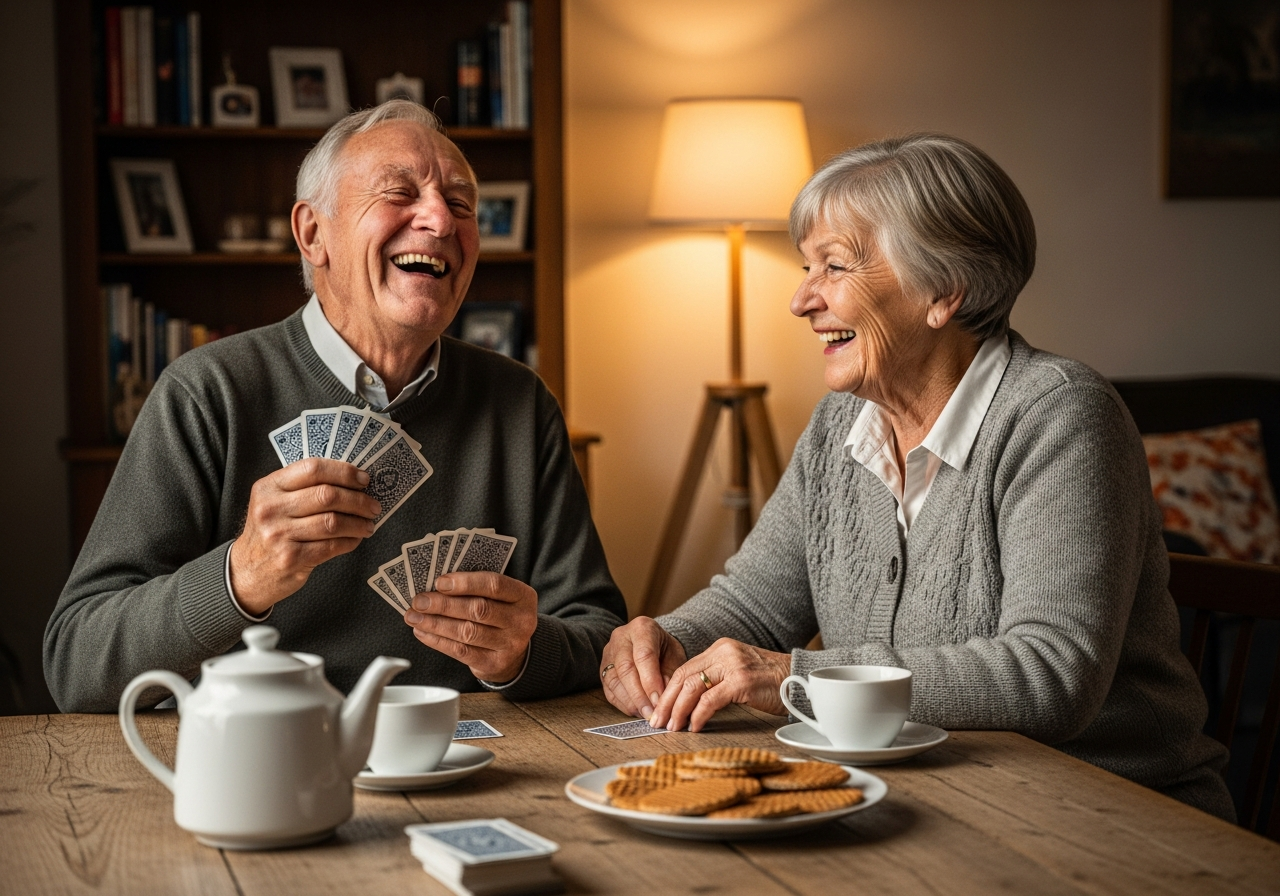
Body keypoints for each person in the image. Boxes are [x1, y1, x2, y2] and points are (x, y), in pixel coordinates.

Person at [600, 133, 1234, 821]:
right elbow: (755, 604)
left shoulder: (1059, 415)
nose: (801, 299)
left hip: (1108, 815)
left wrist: (795, 677)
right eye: (807, 267)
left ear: (943, 292)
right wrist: (668, 640)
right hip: (930, 803)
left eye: (833, 266)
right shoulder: (840, 425)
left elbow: (1052, 673)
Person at [45, 101, 626, 710]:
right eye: (399, 193)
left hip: (463, 754)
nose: (440, 220)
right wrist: (241, 575)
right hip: (264, 754)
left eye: (460, 204)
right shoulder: (207, 392)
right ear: (312, 234)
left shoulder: (521, 403)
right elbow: (77, 663)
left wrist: (524, 654)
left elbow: (601, 637)